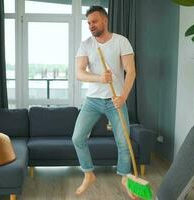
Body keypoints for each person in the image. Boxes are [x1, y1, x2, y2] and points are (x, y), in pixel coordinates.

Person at [72, 5, 136, 197]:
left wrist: (123, 96)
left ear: (105, 20)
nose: (91, 25)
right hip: (92, 100)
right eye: (89, 22)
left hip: (115, 98)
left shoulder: (121, 42)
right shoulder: (86, 44)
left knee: (123, 142)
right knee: (77, 138)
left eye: (94, 21)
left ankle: (125, 178)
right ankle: (88, 174)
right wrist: (99, 78)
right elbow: (80, 73)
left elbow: (131, 71)